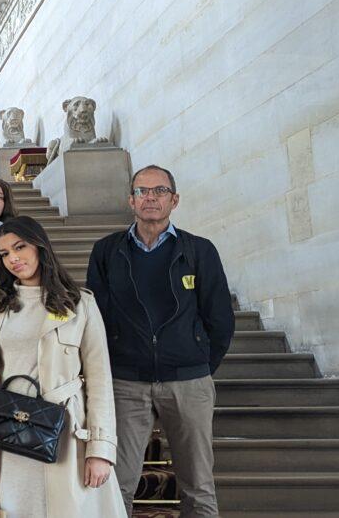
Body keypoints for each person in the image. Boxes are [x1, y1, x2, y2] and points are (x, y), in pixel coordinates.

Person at [86, 165, 235, 517]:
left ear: (174, 199)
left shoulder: (199, 250)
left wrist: (196, 362)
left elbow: (220, 319)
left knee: (198, 485)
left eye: (159, 191)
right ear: (130, 200)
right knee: (115, 484)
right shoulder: (106, 251)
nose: (150, 197)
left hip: (188, 383)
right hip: (126, 382)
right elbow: (97, 320)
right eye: (142, 191)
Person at [0, 216, 125, 517]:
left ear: (39, 246)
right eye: (4, 253)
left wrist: (101, 449)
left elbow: (99, 380)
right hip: (4, 435)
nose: (13, 258)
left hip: (64, 434)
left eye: (19, 247)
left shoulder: (81, 304)